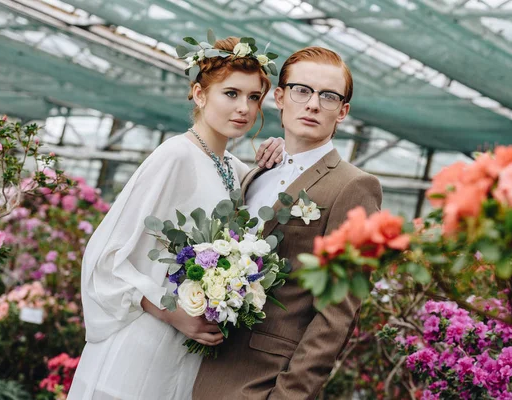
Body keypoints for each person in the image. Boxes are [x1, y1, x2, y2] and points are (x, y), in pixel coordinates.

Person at [68, 36, 284, 400]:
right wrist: (171, 314)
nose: (244, 108)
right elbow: (105, 256)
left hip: (187, 353)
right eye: (230, 94)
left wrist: (279, 156)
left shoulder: (237, 169)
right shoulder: (175, 156)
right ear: (200, 94)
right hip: (142, 343)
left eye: (253, 97)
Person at [192, 47, 383, 399]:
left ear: (342, 112)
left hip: (261, 380)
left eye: (328, 96)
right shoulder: (257, 173)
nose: (312, 104)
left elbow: (337, 314)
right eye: (302, 90)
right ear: (279, 97)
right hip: (201, 362)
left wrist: (288, 395)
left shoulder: (355, 187)